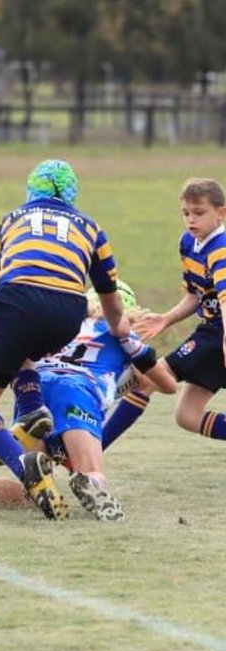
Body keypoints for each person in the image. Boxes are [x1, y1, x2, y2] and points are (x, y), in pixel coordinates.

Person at [0, 283, 176, 521]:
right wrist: (136, 363)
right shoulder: (125, 336)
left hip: (35, 390)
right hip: (78, 389)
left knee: (35, 491)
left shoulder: (68, 323)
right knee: (91, 468)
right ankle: (89, 480)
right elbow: (167, 384)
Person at [0, 158, 129, 519]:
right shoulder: (93, 228)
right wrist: (119, 327)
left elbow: (6, 279)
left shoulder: (11, 219)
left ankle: (26, 470)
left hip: (19, 300)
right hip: (69, 314)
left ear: (30, 189)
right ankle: (33, 410)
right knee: (26, 346)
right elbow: (109, 295)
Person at [101, 178, 226, 452]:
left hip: (219, 333)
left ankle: (90, 450)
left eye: (199, 213)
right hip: (212, 331)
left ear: (221, 212)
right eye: (186, 213)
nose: (191, 220)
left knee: (146, 378)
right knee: (188, 416)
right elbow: (195, 295)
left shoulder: (221, 249)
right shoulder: (189, 242)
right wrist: (166, 319)